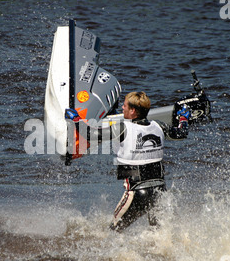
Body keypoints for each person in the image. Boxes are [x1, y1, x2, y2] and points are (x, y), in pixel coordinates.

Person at [66, 91, 189, 232]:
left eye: (124, 106)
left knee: (112, 232)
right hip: (159, 191)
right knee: (158, 235)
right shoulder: (158, 126)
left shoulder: (122, 128)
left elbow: (90, 134)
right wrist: (183, 118)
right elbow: (181, 133)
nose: (122, 109)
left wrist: (75, 119)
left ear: (133, 111)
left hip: (137, 193)